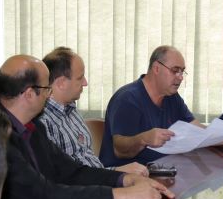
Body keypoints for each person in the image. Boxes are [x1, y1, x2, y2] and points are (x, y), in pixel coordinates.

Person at [0, 54, 173, 199]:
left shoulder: (32, 126)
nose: (49, 95)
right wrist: (123, 195)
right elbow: (45, 195)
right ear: (29, 94)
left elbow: (72, 171)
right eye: (47, 89)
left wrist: (125, 179)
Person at [40, 46, 148, 176]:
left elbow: (89, 164)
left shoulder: (71, 110)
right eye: (80, 78)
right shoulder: (43, 122)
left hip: (99, 180)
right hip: (87, 186)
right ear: (61, 83)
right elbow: (66, 177)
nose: (85, 83)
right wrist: (116, 174)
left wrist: (115, 174)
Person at [98, 45, 201, 167]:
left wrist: (217, 136)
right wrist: (143, 139)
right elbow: (120, 151)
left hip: (164, 168)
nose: (180, 77)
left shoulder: (172, 96)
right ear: (156, 68)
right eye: (175, 70)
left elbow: (195, 128)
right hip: (128, 174)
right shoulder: (128, 99)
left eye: (182, 71)